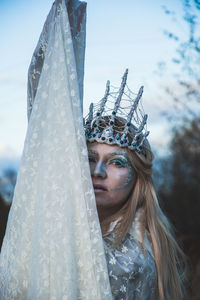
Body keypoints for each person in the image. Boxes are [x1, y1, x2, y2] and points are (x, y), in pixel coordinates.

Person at [84, 69, 186, 300]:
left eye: (116, 162)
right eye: (90, 159)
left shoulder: (128, 261)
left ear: (138, 178)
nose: (97, 172)